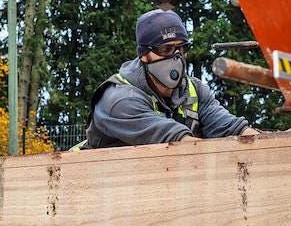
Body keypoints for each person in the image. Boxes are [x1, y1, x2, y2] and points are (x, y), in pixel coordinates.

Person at [82, 9, 258, 148]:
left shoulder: (194, 90)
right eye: (165, 49)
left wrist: (271, 141)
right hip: (98, 186)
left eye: (181, 49)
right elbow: (177, 143)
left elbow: (230, 128)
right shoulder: (119, 100)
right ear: (144, 54)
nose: (176, 57)